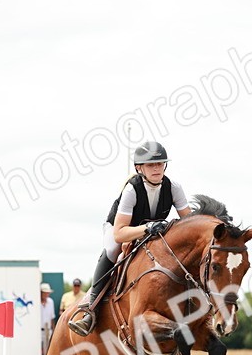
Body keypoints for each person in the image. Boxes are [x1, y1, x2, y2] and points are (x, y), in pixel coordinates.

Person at [67, 141, 192, 336]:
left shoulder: (174, 187)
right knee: (111, 249)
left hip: (152, 233)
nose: (157, 168)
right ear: (139, 168)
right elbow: (119, 233)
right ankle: (90, 309)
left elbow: (189, 223)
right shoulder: (132, 189)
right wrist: (147, 227)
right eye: (151, 165)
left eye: (160, 164)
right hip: (121, 230)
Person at [39, 282, 56, 355]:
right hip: (38, 331)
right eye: (45, 293)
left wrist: (54, 331)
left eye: (47, 293)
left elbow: (52, 317)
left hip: (48, 331)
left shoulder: (51, 302)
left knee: (48, 353)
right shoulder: (37, 302)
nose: (46, 294)